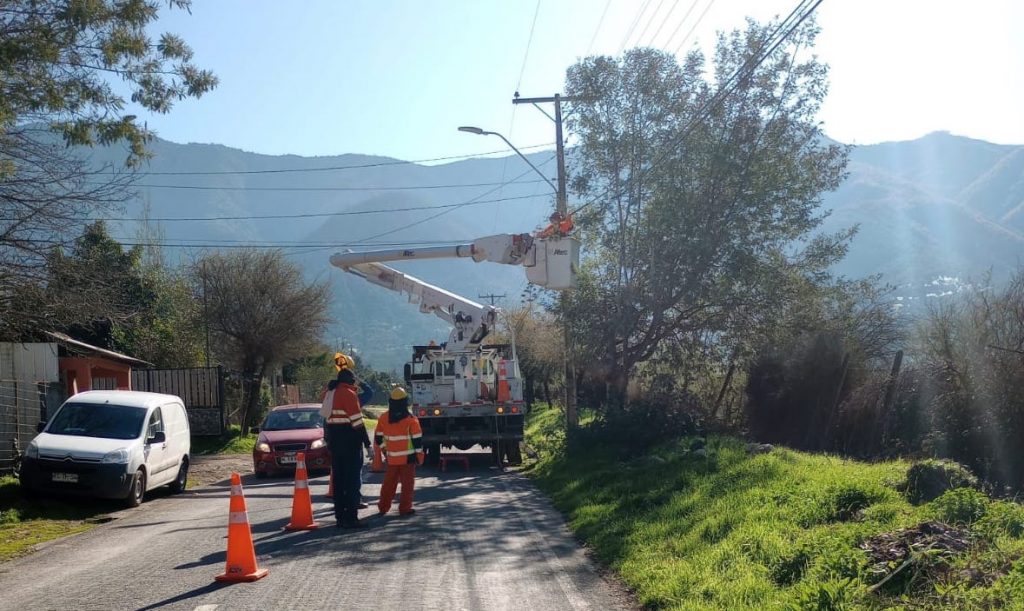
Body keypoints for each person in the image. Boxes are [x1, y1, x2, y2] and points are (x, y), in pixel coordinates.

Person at [322, 368, 372, 528]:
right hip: (350, 442)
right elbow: (358, 423)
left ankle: (340, 518)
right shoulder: (349, 394)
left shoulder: (330, 393)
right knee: (351, 482)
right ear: (350, 380)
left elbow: (325, 420)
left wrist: (327, 441)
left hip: (335, 443)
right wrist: (368, 444)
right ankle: (351, 518)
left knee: (338, 481)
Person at [374, 386, 424, 516]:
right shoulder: (411, 420)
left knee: (388, 485)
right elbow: (417, 441)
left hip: (392, 459)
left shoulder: (384, 418)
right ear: (405, 401)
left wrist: (385, 451)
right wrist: (419, 456)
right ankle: (405, 508)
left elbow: (378, 438)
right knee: (407, 486)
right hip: (408, 459)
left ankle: (383, 507)